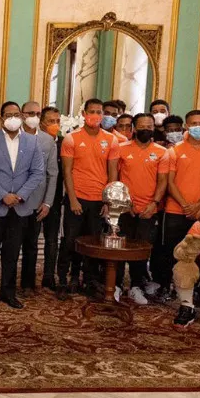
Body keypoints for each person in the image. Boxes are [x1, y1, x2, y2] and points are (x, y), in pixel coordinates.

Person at [0, 101, 46, 308]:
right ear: (1, 118)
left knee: (12, 254)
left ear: (22, 117)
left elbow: (37, 173)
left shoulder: (33, 143)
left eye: (16, 114)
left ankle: (8, 292)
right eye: (8, 114)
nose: (13, 118)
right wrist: (3, 195)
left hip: (20, 207)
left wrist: (20, 195)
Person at [155, 109, 200, 299]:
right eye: (194, 124)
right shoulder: (174, 151)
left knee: (199, 253)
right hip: (175, 210)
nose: (198, 127)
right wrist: (185, 205)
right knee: (171, 250)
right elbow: (170, 182)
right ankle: (165, 286)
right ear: (187, 126)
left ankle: (196, 290)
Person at [57, 98, 120, 300]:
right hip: (77, 198)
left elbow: (112, 173)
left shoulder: (111, 140)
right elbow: (67, 172)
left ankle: (89, 279)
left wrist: (108, 202)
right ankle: (66, 278)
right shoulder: (71, 138)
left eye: (99, 111)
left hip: (99, 200)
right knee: (70, 241)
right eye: (91, 111)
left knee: (93, 242)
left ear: (103, 115)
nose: (95, 115)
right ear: (84, 114)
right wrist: (73, 199)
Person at [115, 113, 168, 304]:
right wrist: (123, 201)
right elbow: (115, 178)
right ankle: (117, 285)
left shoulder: (162, 152)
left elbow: (163, 181)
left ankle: (136, 285)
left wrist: (154, 203)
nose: (146, 129)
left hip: (149, 209)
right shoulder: (120, 149)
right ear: (134, 128)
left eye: (150, 126)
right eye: (142, 126)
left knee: (141, 249)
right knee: (120, 247)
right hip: (124, 208)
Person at [17, 102, 57, 296]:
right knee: (11, 245)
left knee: (32, 246)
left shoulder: (48, 141)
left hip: (36, 202)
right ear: (22, 115)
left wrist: (47, 202)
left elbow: (53, 174)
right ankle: (7, 283)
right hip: (13, 201)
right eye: (30, 113)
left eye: (37, 113)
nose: (33, 116)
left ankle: (27, 284)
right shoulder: (12, 136)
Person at [35, 106, 67, 289]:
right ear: (41, 124)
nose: (55, 125)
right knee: (30, 239)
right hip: (33, 197)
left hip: (54, 199)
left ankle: (49, 275)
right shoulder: (33, 141)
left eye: (57, 121)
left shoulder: (65, 143)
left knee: (52, 239)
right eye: (51, 121)